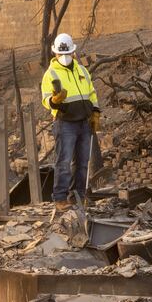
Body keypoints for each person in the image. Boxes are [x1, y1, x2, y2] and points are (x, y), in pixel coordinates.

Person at [41, 32, 100, 212]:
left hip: (84, 121)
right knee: (64, 161)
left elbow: (91, 92)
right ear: (55, 54)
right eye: (61, 54)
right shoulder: (50, 74)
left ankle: (78, 196)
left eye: (68, 54)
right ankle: (60, 198)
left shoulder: (82, 70)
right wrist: (54, 101)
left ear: (73, 52)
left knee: (82, 162)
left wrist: (95, 111)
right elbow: (45, 99)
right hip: (65, 123)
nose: (65, 58)